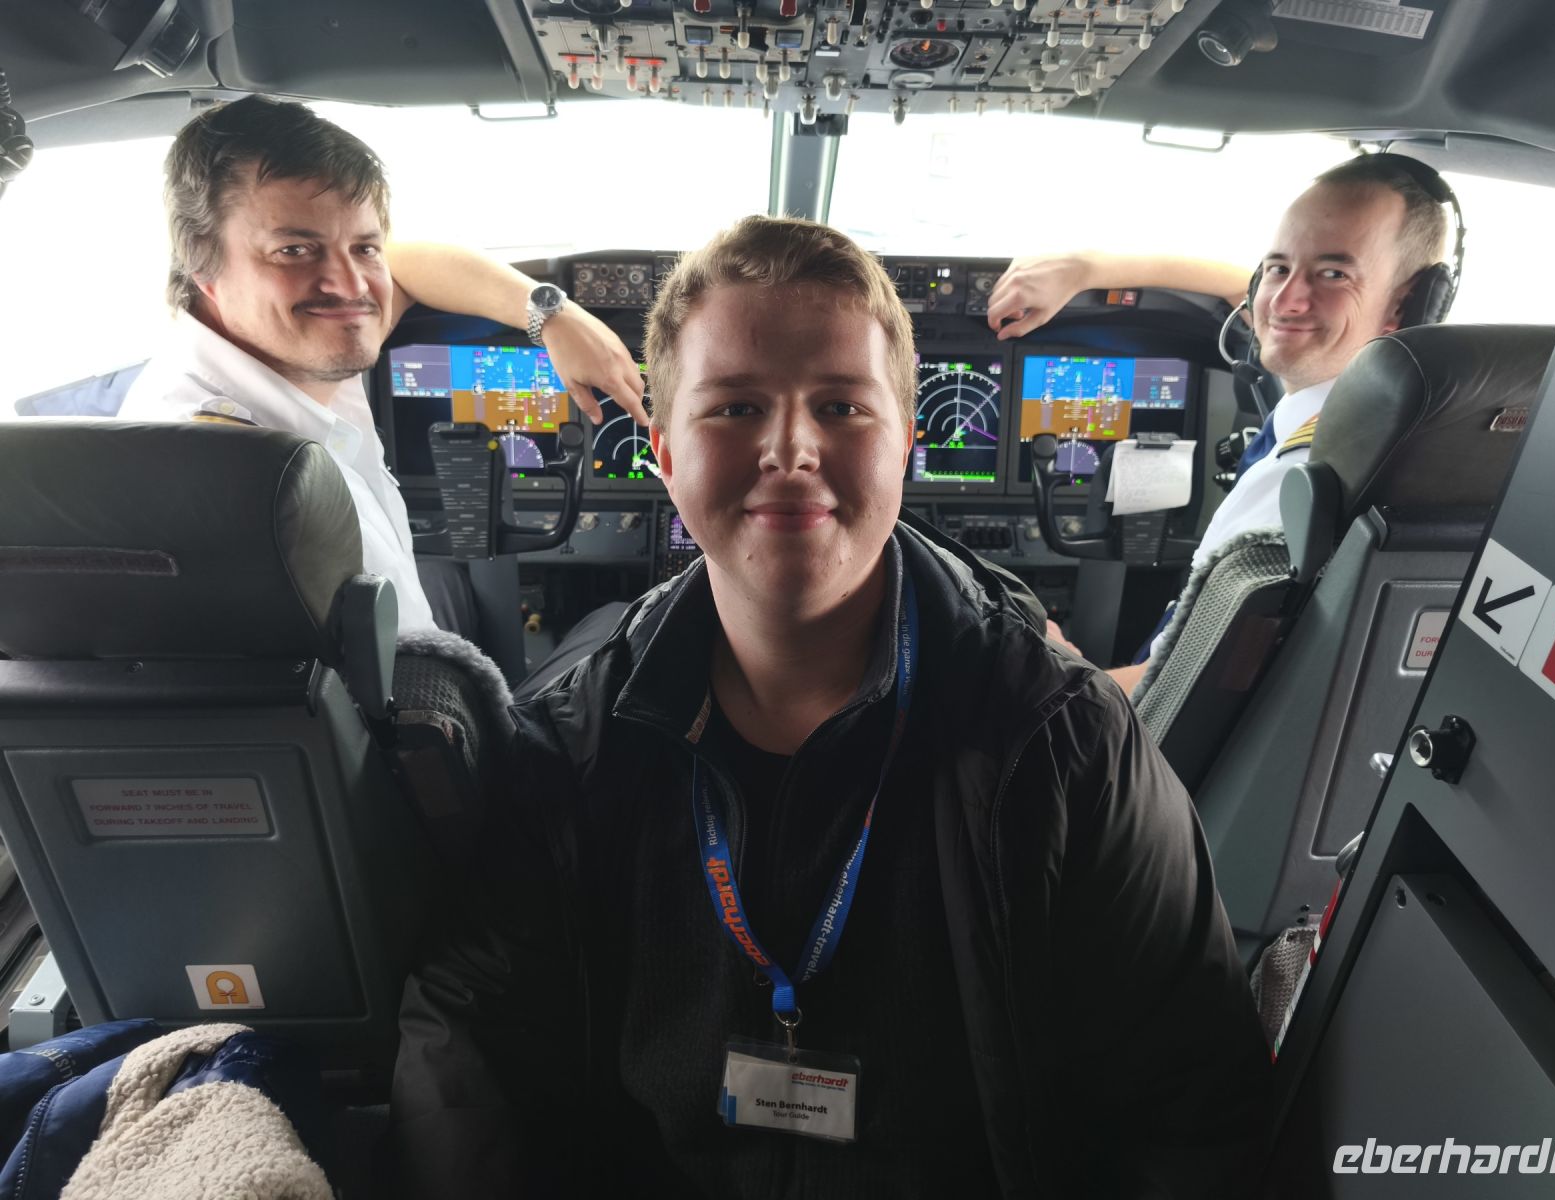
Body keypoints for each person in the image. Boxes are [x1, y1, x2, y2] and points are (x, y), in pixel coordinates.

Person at [389, 215, 1270, 1197]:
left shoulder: (1061, 741)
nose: (791, 448)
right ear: (664, 457)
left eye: (844, 408)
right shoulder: (566, 738)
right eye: (732, 409)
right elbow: (468, 1043)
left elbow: (1195, 1100)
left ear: (905, 448)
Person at [118, 95, 647, 634]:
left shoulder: (283, 353)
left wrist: (550, 313)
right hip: (415, 708)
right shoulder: (235, 472)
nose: (351, 286)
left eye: (364, 248)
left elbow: (409, 265)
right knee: (621, 622)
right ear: (202, 264)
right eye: (295, 251)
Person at [988, 155, 1451, 693]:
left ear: (1406, 303)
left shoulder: (1299, 486)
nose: (1284, 300)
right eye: (1277, 267)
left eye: (1334, 273)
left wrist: (1056, 670)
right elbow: (1245, 289)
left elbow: (1174, 696)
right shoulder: (1379, 428)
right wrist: (1087, 268)